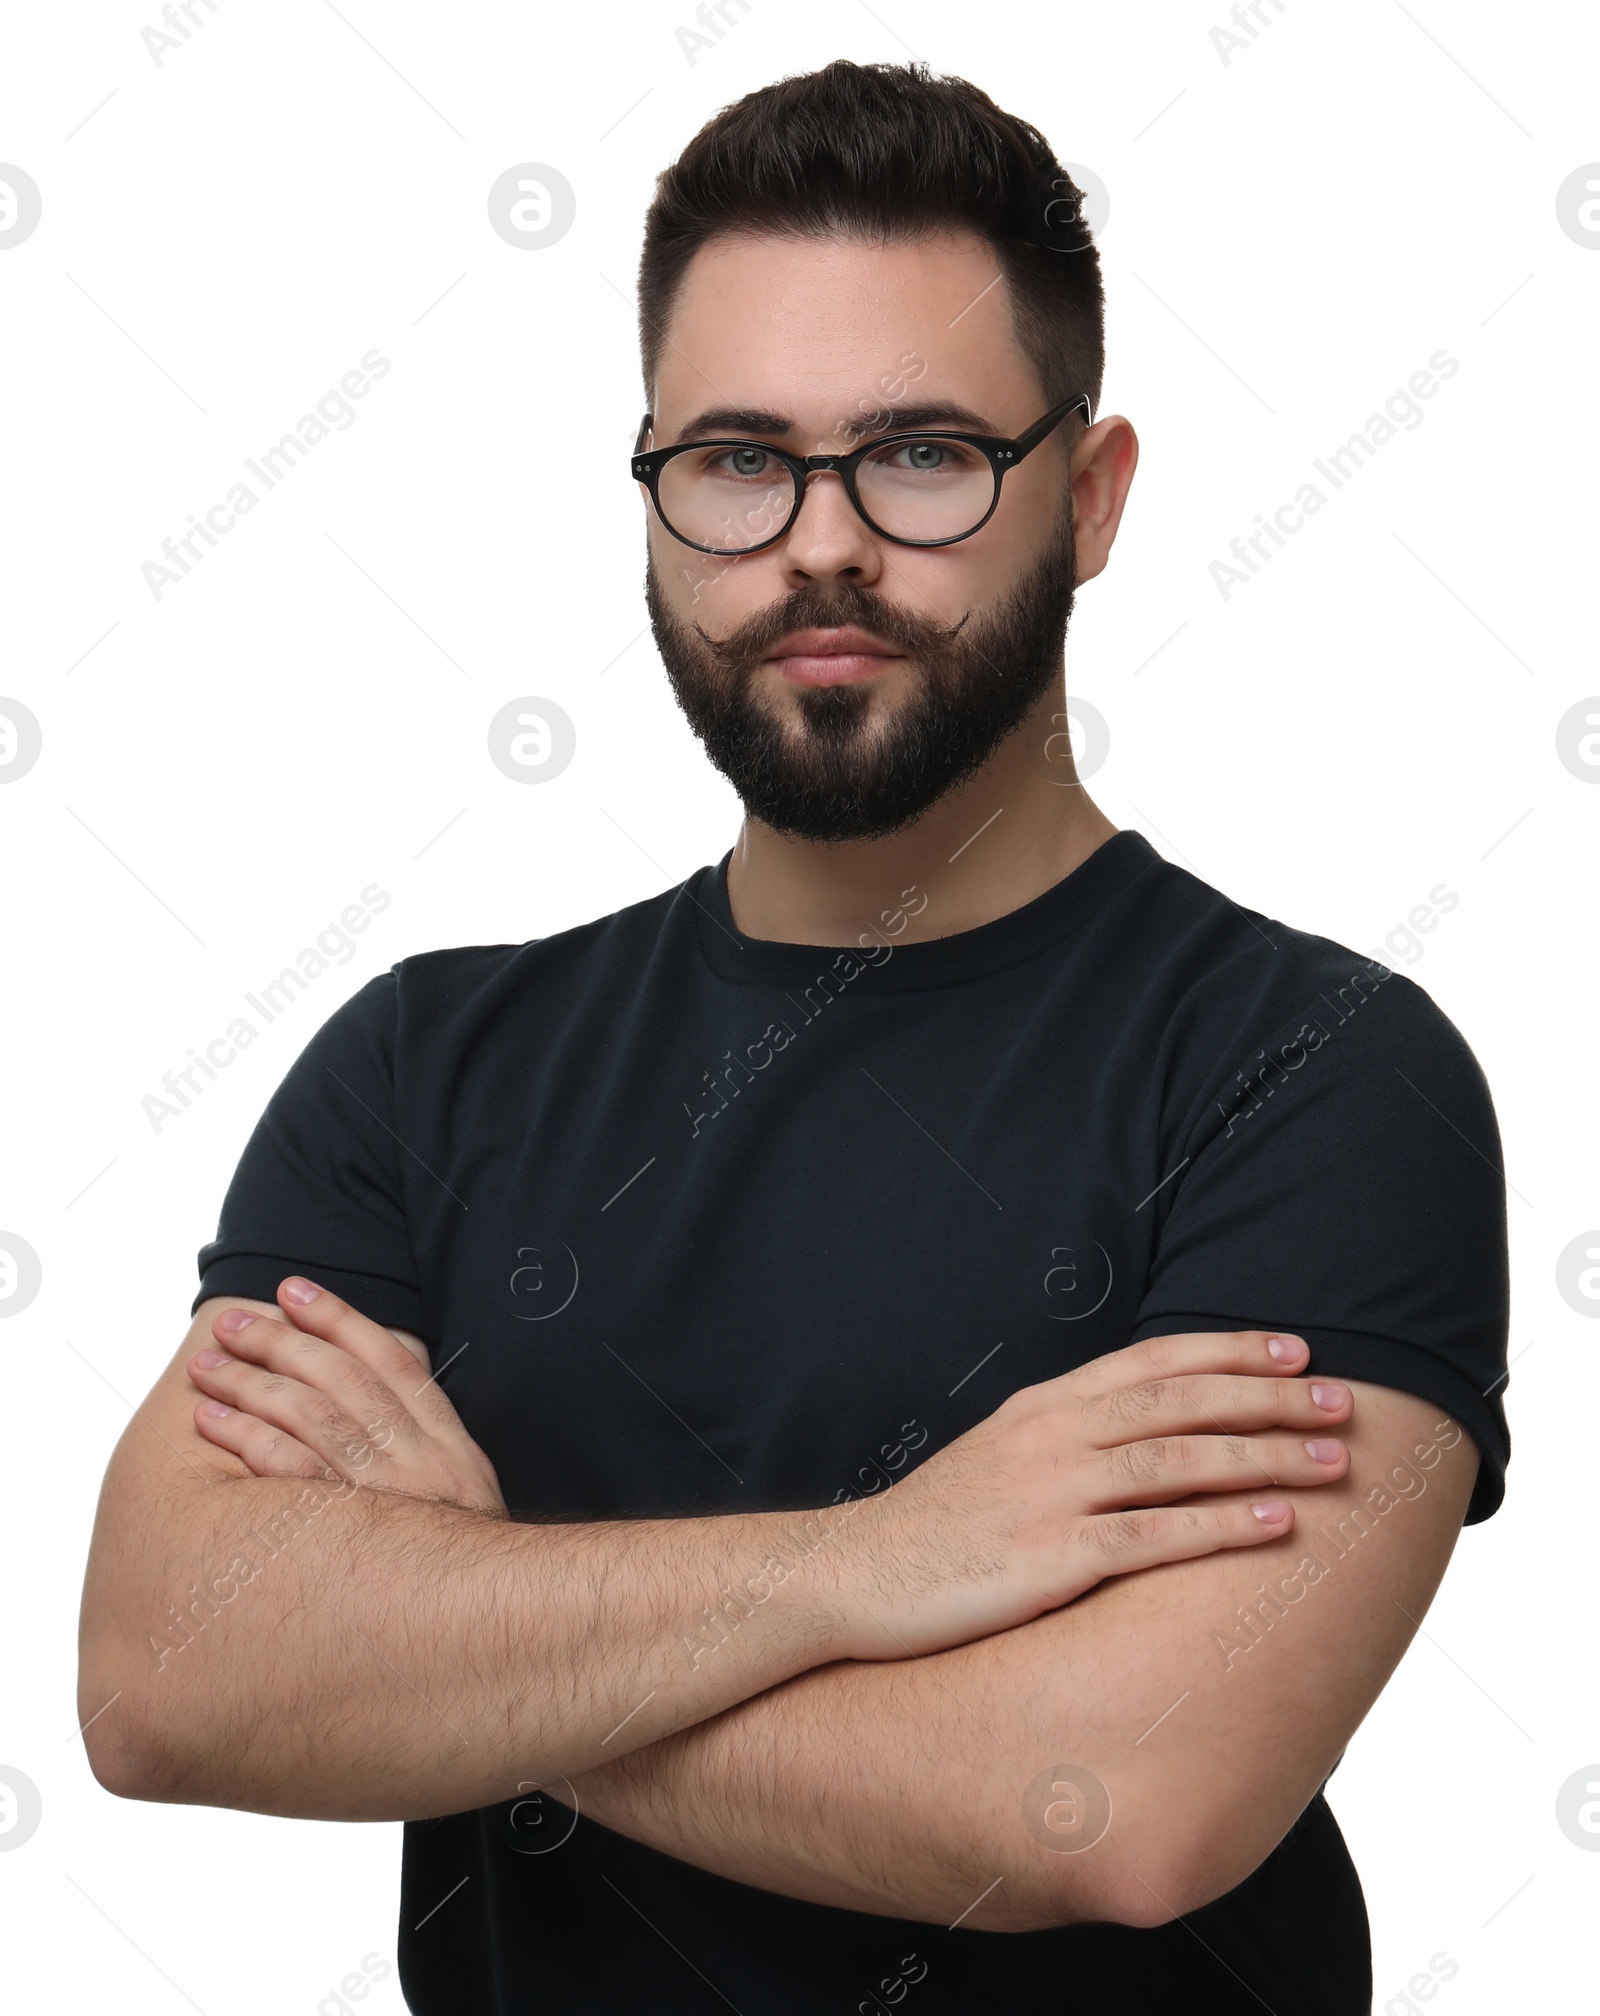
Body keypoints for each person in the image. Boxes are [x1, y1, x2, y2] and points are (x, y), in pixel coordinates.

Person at [78, 58, 1510, 2016]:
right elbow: (166, 1681)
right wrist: (863, 1567)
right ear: (656, 492)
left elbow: (1112, 1810)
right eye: (739, 458)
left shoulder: (1308, 1073)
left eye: (920, 456)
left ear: (1083, 500)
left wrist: (463, 1633)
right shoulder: (423, 1070)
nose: (816, 543)